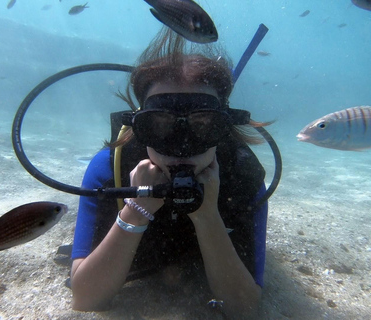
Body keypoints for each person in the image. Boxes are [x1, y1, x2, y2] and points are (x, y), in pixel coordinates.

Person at [69, 29, 270, 319]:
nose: (182, 147)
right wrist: (135, 211)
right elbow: (85, 297)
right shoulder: (108, 171)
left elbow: (246, 308)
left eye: (203, 125)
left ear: (222, 128)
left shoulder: (243, 176)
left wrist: (207, 215)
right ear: (140, 126)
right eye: (160, 125)